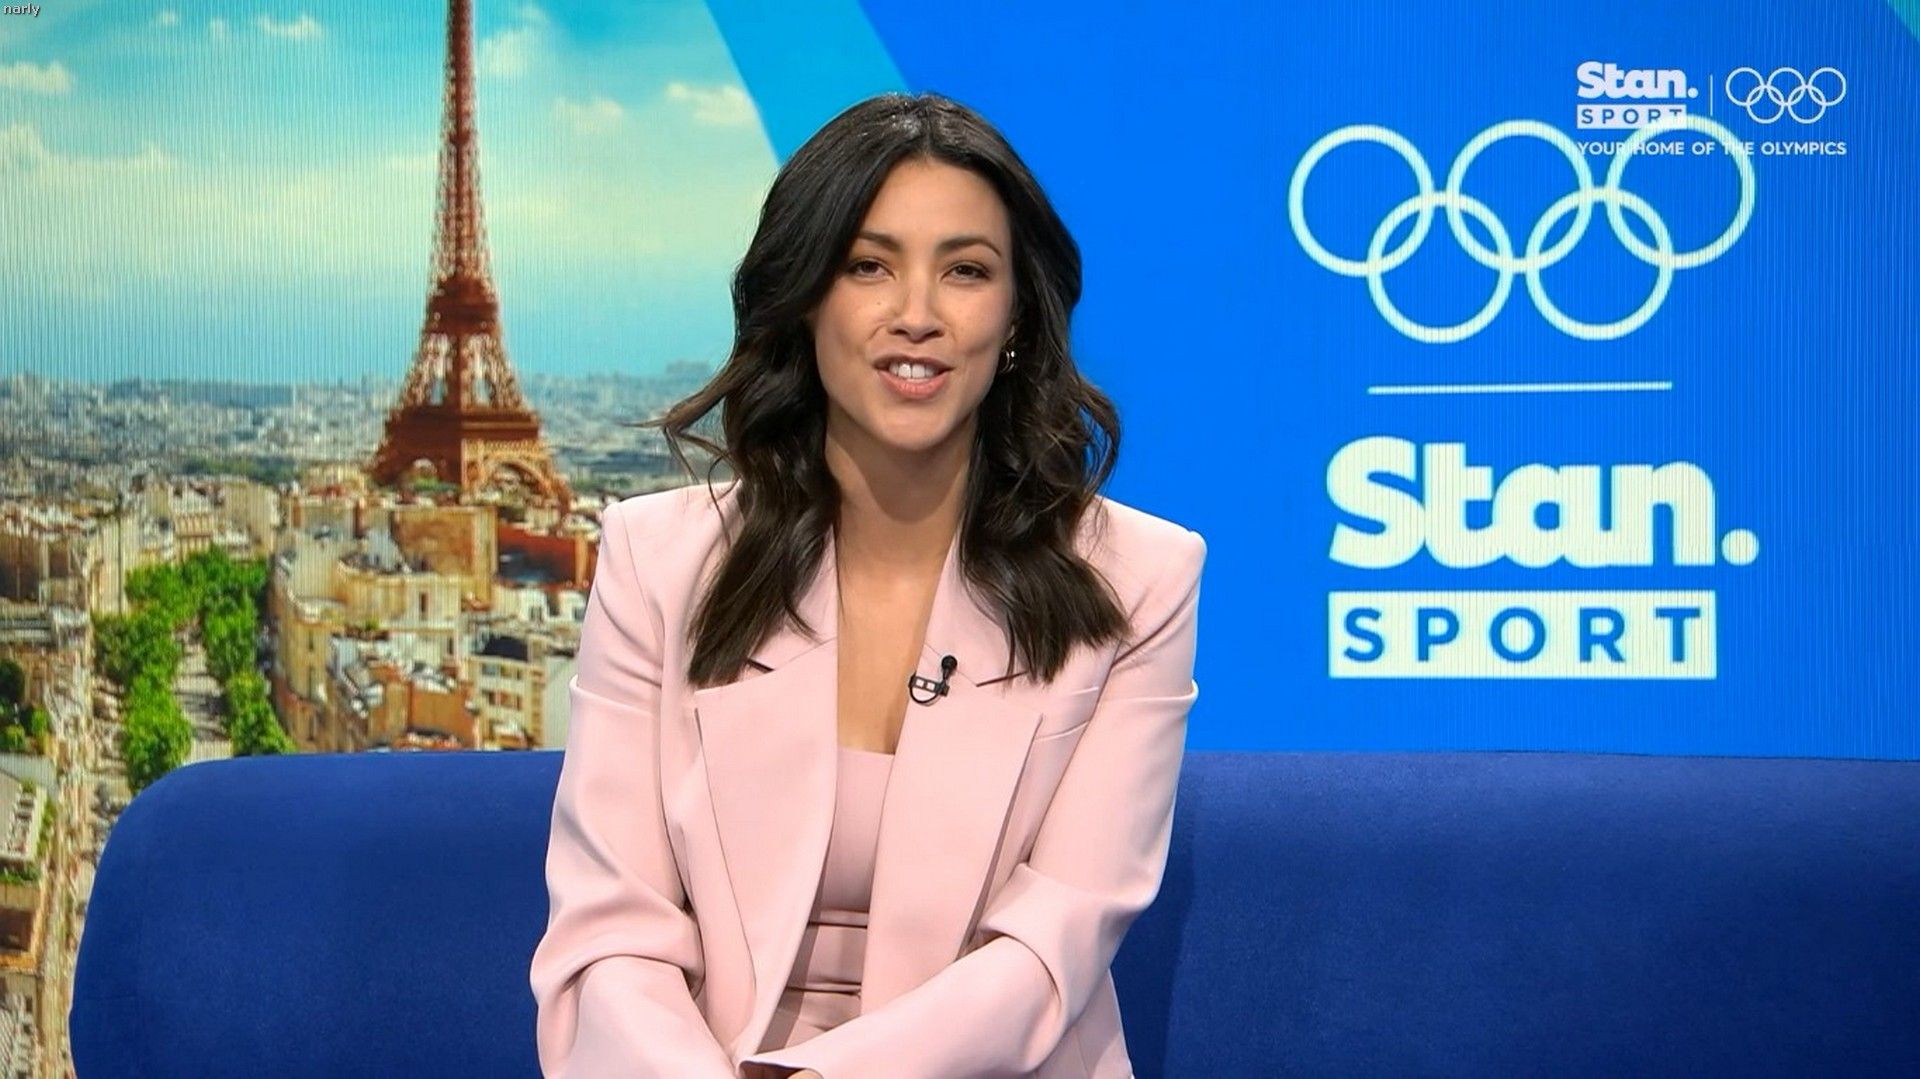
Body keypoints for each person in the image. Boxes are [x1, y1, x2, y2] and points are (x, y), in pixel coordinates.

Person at [528, 90, 1207, 1078]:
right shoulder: (656, 562)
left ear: (1016, 315)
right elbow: (612, 930)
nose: (917, 316)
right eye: (867, 266)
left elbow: (1051, 943)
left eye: (966, 271)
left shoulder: (1136, 581)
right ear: (806, 297)